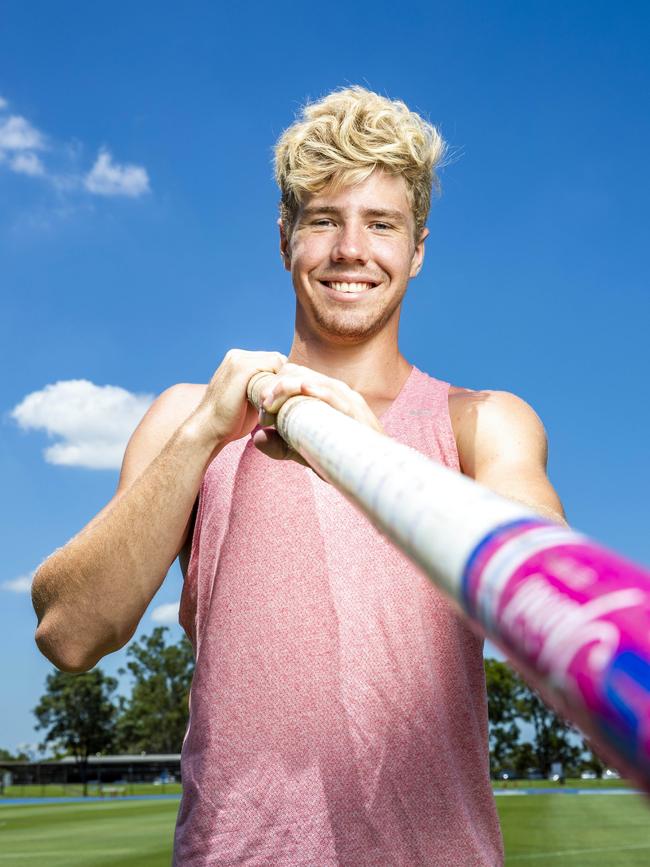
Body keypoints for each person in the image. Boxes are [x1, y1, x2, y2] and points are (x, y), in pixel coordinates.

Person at [32, 87, 565, 865]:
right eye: (324, 220)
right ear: (285, 237)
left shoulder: (482, 423)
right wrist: (206, 431)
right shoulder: (195, 417)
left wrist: (375, 453)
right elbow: (69, 632)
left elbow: (545, 596)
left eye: (381, 224)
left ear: (416, 249)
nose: (352, 249)